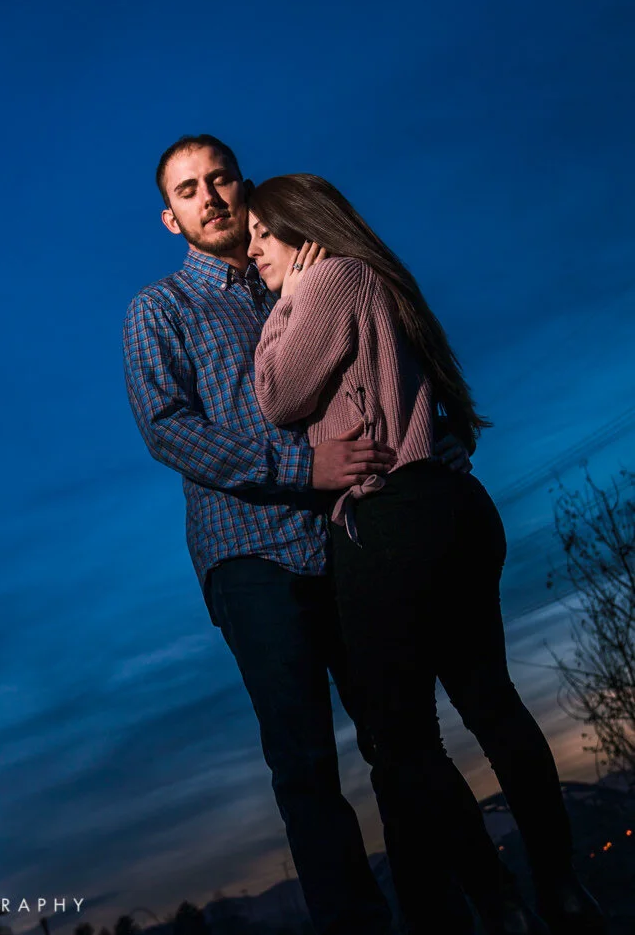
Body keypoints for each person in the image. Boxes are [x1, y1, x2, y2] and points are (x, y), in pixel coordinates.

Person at [247, 173, 606, 935]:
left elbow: (277, 396)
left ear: (299, 230)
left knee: (401, 737)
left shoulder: (326, 282)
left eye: (260, 234)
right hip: (454, 509)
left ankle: (498, 901)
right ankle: (561, 886)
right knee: (492, 700)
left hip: (391, 521)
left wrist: (287, 302)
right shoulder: (377, 278)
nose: (251, 252)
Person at [124, 135, 400, 935]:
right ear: (170, 218)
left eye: (219, 180)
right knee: (306, 763)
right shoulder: (159, 309)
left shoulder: (297, 274)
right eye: (187, 191)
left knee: (398, 733)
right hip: (249, 557)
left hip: (344, 532)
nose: (208, 197)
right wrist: (300, 465)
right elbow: (167, 430)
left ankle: (448, 905)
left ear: (242, 187)